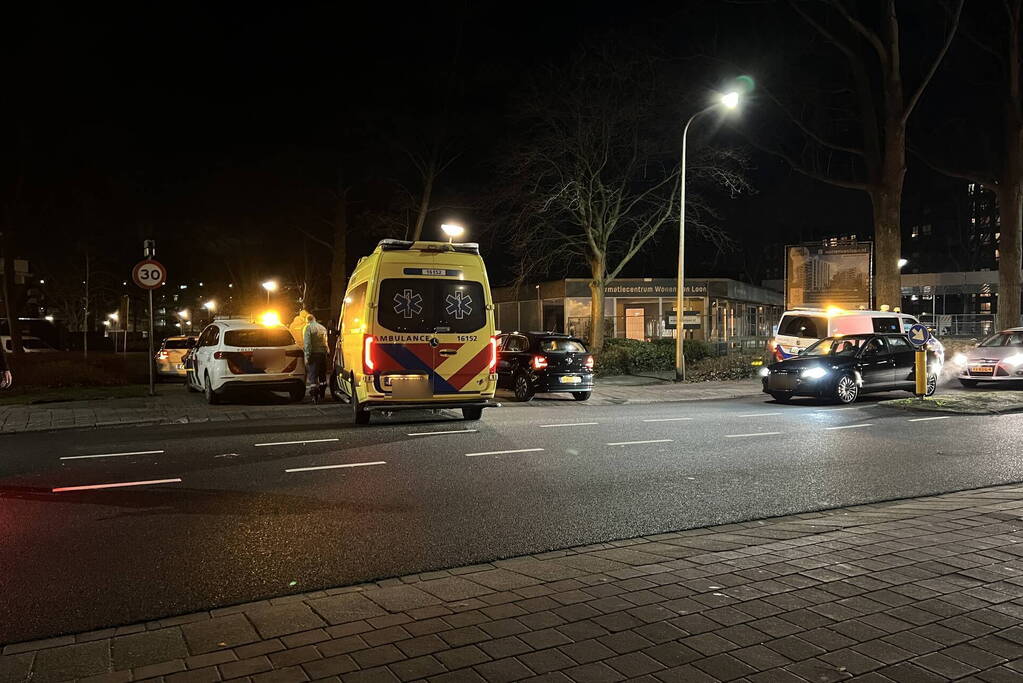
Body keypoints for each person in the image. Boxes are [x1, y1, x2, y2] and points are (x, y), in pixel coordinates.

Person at [303, 313, 329, 403]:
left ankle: (314, 396)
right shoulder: (322, 327)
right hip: (323, 354)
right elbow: (326, 342)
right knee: (322, 375)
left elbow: (307, 344)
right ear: (315, 319)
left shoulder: (308, 328)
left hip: (314, 354)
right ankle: (322, 392)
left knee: (313, 376)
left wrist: (307, 356)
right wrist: (327, 352)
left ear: (307, 320)